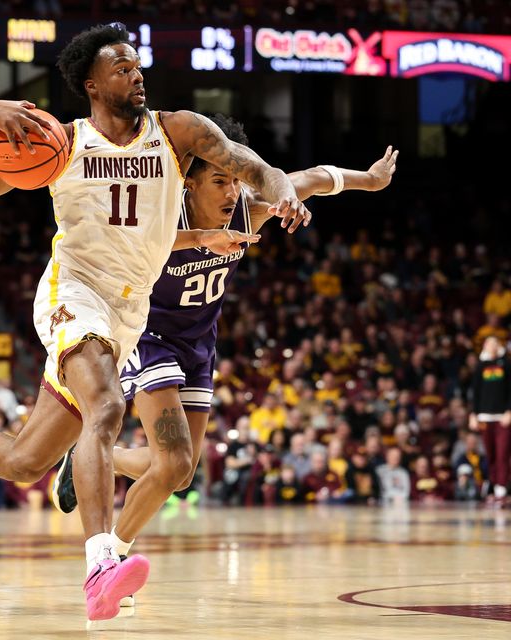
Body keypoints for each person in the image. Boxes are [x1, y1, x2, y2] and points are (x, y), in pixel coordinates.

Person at [0, 23, 308, 621]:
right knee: (107, 408)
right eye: (121, 68)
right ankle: (101, 566)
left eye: (137, 65)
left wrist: (284, 194)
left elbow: (254, 166)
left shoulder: (178, 133)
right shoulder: (62, 145)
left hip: (128, 307)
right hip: (73, 291)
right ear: (91, 85)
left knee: (26, 461)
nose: (135, 73)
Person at [50, 115, 398, 599]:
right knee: (172, 462)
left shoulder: (248, 210)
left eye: (234, 179)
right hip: (149, 336)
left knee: (179, 470)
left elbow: (314, 178)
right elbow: (123, 242)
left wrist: (371, 180)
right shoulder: (162, 216)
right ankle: (109, 570)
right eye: (219, 180)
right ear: (187, 184)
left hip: (199, 344)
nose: (231, 190)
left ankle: (96, 487)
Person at [469, 335, 511, 504]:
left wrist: (509, 411)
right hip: (484, 417)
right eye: (488, 343)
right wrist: (473, 414)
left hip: (503, 418)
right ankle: (493, 488)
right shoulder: (480, 366)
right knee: (490, 454)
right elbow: (476, 392)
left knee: (503, 453)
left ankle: (502, 489)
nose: (491, 346)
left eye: (494, 343)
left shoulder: (506, 364)